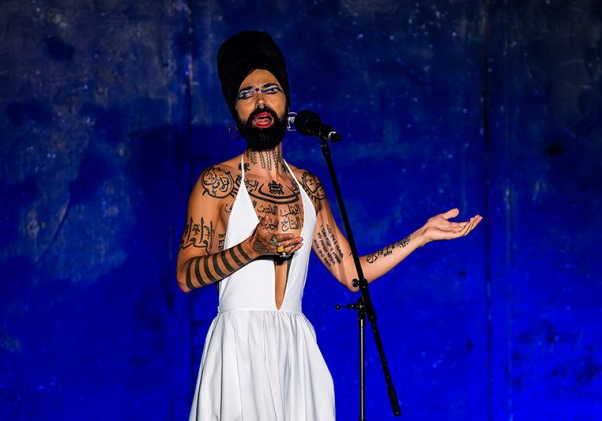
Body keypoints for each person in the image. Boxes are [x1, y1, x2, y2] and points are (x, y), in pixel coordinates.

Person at [177, 30, 482, 421]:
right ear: (235, 110)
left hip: (295, 347)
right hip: (238, 347)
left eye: (270, 89)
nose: (260, 101)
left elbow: (352, 275)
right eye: (246, 93)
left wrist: (420, 237)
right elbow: (186, 276)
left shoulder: (309, 187)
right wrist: (249, 249)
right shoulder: (217, 183)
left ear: (286, 100)